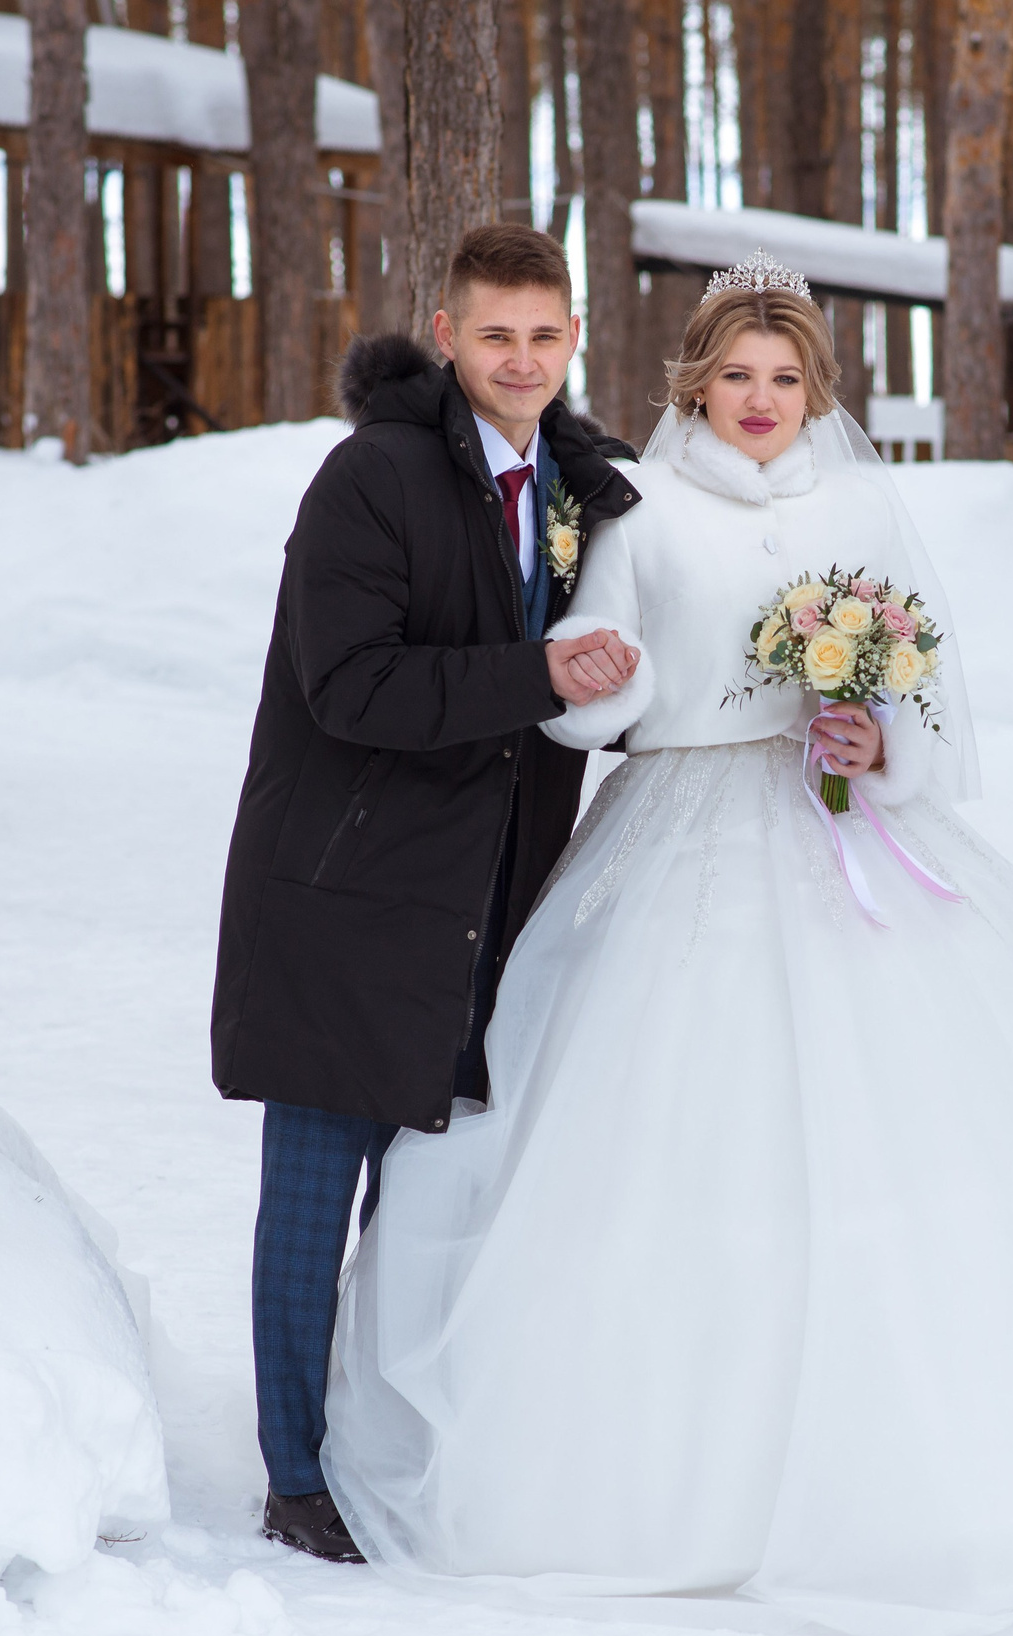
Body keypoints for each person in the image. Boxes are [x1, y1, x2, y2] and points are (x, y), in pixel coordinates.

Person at [321, 254, 1013, 1636]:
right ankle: (652, 1477)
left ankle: (907, 1470)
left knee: (889, 1144)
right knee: (661, 1136)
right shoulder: (635, 507)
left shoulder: (860, 511)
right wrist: (622, 684)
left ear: (813, 389)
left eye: (784, 378)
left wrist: (875, 739)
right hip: (678, 845)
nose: (759, 401)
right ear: (694, 380)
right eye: (735, 376)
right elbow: (589, 686)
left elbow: (938, 717)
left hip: (840, 844)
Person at [210, 223, 644, 1563]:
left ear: (573, 341)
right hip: (348, 890)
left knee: (434, 1205)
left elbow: (623, 664)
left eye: (545, 334)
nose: (522, 359)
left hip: (491, 899)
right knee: (314, 1184)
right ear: (446, 336)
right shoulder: (373, 479)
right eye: (495, 333)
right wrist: (539, 675)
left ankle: (392, 1450)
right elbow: (352, 684)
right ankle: (294, 1476)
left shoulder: (583, 486)